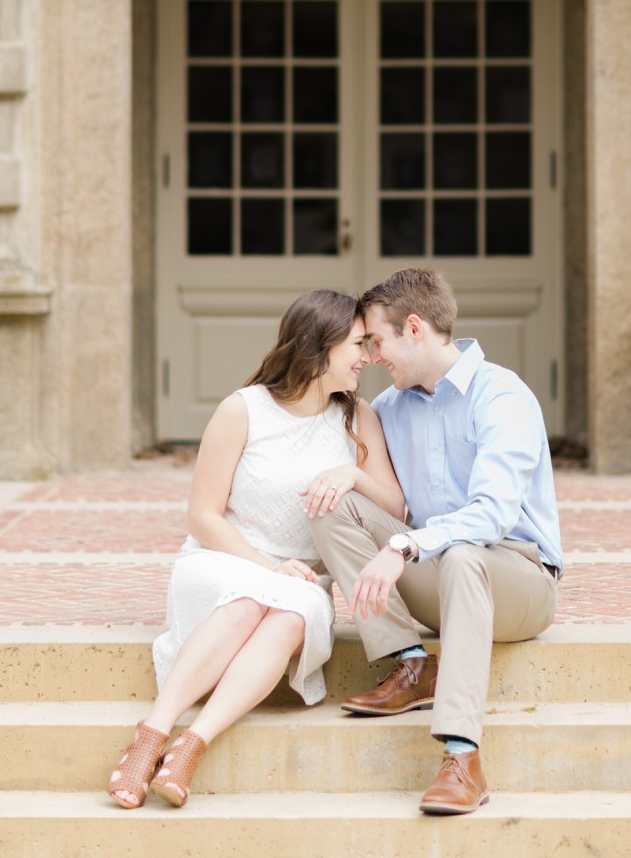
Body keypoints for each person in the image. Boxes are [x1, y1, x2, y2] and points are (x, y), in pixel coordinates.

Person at [109, 290, 405, 809]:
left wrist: (353, 472)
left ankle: (191, 745)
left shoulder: (359, 416)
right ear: (322, 346)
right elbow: (202, 515)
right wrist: (268, 567)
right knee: (251, 601)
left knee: (293, 615)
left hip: (301, 582)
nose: (367, 356)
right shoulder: (242, 409)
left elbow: (396, 510)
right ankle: (152, 735)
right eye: (358, 344)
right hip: (223, 561)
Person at [308, 267, 564, 817]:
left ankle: (462, 756)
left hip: (519, 583)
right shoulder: (392, 410)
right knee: (334, 505)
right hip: (440, 579)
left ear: (416, 328)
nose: (373, 356)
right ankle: (409, 661)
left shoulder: (502, 395)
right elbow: (393, 510)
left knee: (467, 552)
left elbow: (493, 515)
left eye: (377, 340)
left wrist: (403, 548)